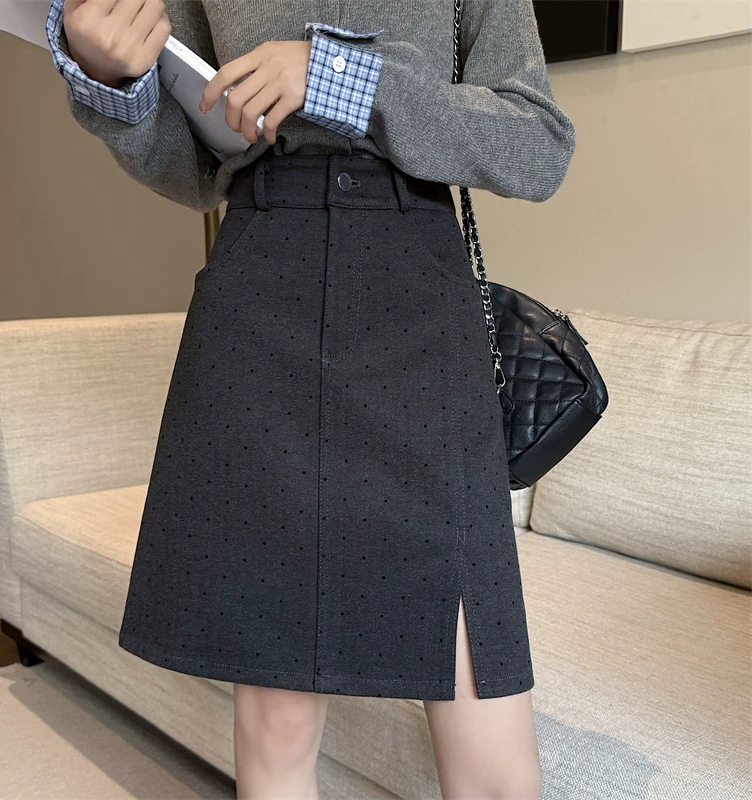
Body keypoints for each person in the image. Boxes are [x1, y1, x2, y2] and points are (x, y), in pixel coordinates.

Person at [46, 1, 576, 797]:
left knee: (483, 721)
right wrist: (111, 78)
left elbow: (537, 145)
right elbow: (193, 167)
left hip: (415, 302)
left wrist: (339, 75)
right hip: (261, 285)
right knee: (276, 721)